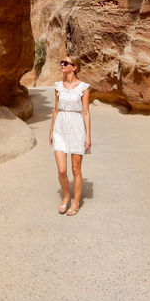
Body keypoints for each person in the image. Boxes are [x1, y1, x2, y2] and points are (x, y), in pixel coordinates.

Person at [49, 55, 91, 216]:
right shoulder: (58, 86)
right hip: (60, 128)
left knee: (76, 169)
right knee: (61, 170)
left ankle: (76, 202)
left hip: (76, 128)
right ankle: (66, 196)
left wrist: (88, 136)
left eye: (65, 63)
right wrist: (51, 131)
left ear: (74, 67)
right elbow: (55, 110)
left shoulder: (84, 87)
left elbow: (86, 113)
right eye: (61, 62)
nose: (62, 64)